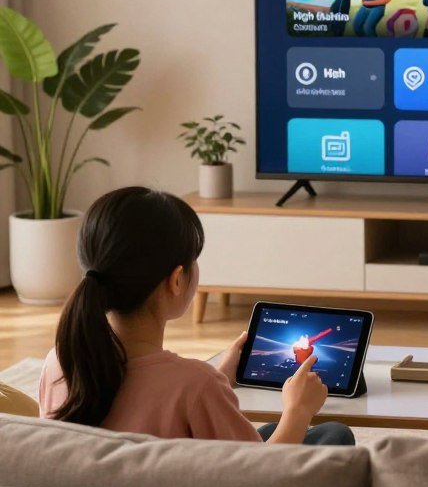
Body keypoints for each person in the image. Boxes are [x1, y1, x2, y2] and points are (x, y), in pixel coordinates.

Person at [38, 187, 354, 446]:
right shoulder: (196, 386)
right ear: (176, 280)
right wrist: (298, 409)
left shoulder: (60, 362)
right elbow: (260, 476)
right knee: (334, 435)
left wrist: (220, 377)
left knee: (274, 430)